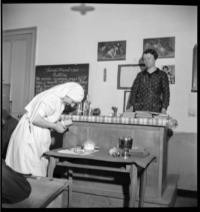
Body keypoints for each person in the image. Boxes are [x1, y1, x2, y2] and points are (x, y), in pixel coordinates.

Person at [5, 82, 84, 177]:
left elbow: (45, 119)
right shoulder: (51, 99)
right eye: (73, 101)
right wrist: (54, 126)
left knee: (36, 170)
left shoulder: (59, 101)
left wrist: (56, 125)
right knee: (29, 172)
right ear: (67, 93)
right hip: (29, 137)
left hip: (35, 135)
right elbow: (35, 119)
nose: (72, 105)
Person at [127, 48, 170, 113]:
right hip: (139, 110)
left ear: (155, 59)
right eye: (144, 59)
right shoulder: (140, 75)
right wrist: (131, 107)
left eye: (149, 58)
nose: (146, 61)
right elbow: (134, 92)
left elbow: (166, 93)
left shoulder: (162, 75)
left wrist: (164, 108)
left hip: (156, 110)